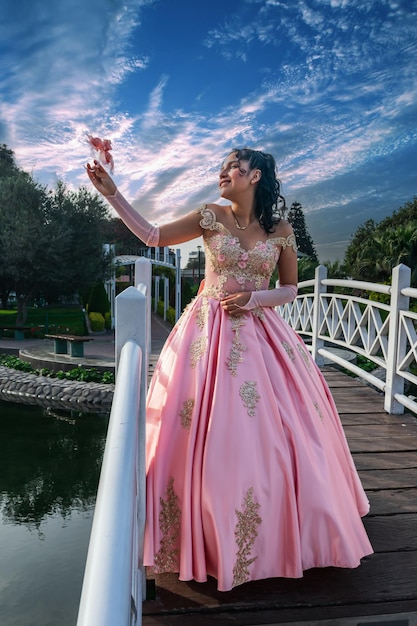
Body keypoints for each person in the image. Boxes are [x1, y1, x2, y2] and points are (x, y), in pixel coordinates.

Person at [87, 147, 373, 592]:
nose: (222, 173)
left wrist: (253, 300)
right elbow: (153, 235)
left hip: (261, 334)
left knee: (282, 436)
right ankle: (205, 538)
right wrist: (112, 194)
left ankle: (287, 536)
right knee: (204, 434)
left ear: (255, 175)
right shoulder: (210, 216)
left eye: (232, 168)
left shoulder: (280, 230)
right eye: (221, 168)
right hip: (207, 334)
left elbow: (291, 290)